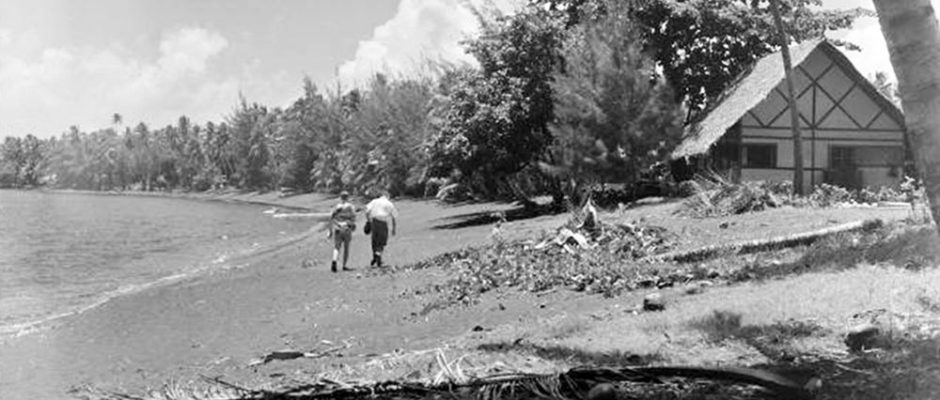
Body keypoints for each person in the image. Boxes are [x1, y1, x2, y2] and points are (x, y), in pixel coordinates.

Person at [364, 190, 398, 268]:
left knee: (374, 241)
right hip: (383, 223)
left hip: (374, 222)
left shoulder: (374, 201)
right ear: (387, 196)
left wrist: (368, 221)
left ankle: (375, 257)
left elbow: (367, 211)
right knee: (382, 241)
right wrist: (394, 229)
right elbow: (393, 217)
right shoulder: (389, 204)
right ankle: (378, 254)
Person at [328, 191, 356, 272]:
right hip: (347, 228)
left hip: (338, 228)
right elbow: (353, 218)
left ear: (340, 197)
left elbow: (331, 218)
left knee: (337, 247)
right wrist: (353, 225)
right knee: (346, 247)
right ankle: (344, 265)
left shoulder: (337, 207)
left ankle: (334, 260)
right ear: (348, 197)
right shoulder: (350, 206)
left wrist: (330, 231)